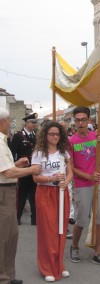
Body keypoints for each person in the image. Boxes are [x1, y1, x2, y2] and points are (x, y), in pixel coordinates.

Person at [0, 108, 40, 284]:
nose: (10, 124)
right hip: (4, 191)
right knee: (3, 238)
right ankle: (3, 277)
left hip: (8, 188)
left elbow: (6, 168)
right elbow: (7, 173)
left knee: (11, 236)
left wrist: (18, 164)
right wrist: (31, 169)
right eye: (9, 121)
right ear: (2, 122)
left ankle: (8, 275)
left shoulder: (3, 141)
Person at [31, 121, 73, 282]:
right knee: (47, 231)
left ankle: (59, 266)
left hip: (61, 192)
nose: (55, 137)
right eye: (51, 134)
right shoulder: (38, 153)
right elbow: (35, 178)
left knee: (60, 230)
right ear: (45, 135)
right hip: (44, 192)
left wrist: (66, 182)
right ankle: (47, 267)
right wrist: (52, 178)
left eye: (57, 134)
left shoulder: (64, 152)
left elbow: (70, 173)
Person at [69, 106, 100, 267]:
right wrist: (87, 176)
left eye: (83, 120)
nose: (80, 123)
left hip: (98, 183)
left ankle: (98, 253)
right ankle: (74, 247)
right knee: (81, 220)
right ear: (74, 121)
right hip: (82, 185)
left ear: (88, 121)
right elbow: (70, 167)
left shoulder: (96, 137)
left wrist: (99, 143)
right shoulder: (71, 141)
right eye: (77, 120)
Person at [10, 112, 38, 225]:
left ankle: (34, 218)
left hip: (34, 168)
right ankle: (17, 217)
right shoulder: (18, 136)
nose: (34, 124)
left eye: (35, 122)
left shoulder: (35, 136)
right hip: (23, 169)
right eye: (32, 122)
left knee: (34, 195)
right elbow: (12, 153)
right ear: (26, 123)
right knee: (21, 194)